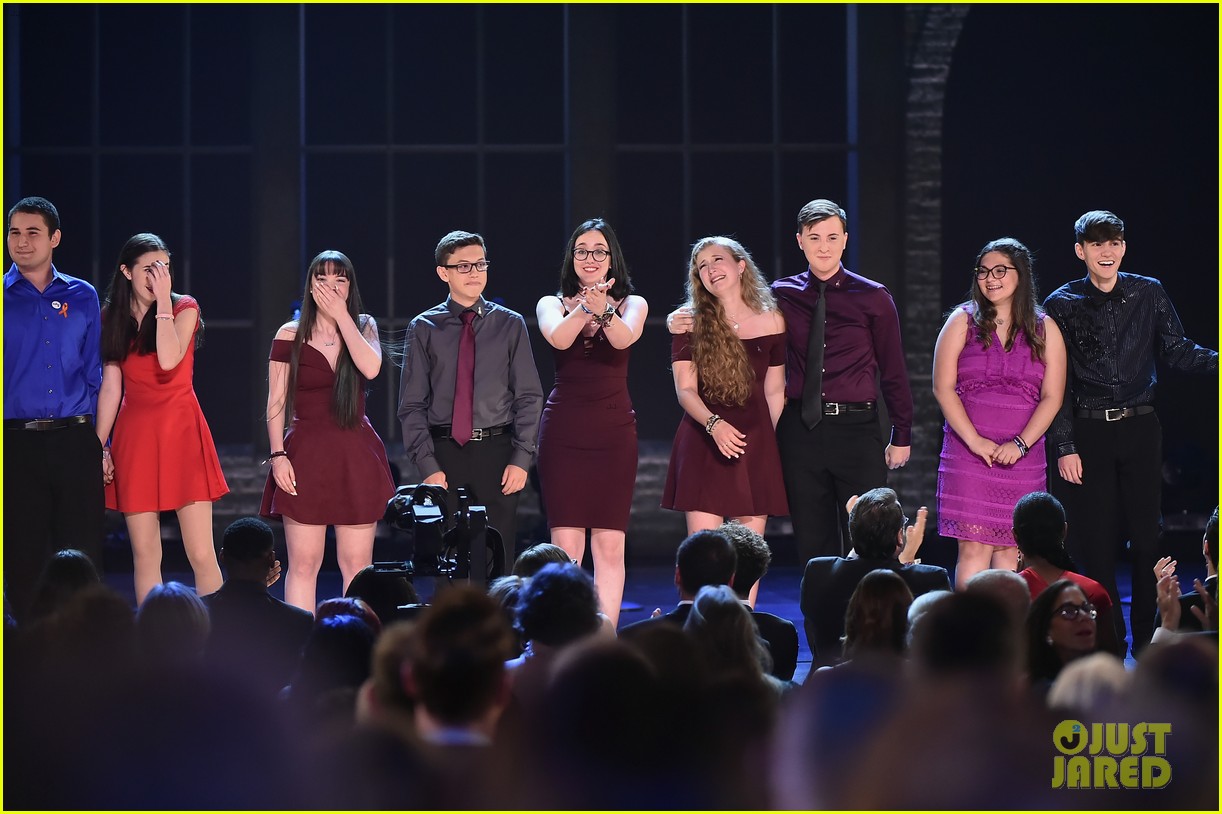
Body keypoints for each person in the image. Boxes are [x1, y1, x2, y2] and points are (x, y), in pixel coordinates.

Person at [667, 199, 914, 562]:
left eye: (832, 237)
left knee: (870, 538)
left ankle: (870, 601)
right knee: (813, 542)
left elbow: (893, 369)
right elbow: (732, 310)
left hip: (857, 429)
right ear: (800, 241)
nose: (823, 246)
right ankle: (818, 602)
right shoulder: (781, 296)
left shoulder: (874, 297)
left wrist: (902, 433)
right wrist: (678, 318)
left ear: (845, 239)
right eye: (814, 238)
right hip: (800, 431)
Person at [1043, 210, 1217, 652]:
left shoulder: (1148, 291)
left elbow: (1177, 349)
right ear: (1080, 250)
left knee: (1146, 538)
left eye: (1115, 242)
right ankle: (1108, 639)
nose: (1107, 251)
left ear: (1124, 247)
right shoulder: (1061, 303)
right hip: (1089, 432)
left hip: (1140, 427)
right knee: (1096, 543)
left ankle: (1146, 638)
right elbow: (1056, 381)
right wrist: (1064, 444)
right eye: (1097, 244)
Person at [398, 230, 544, 570]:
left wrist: (521, 458)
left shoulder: (510, 324)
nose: (474, 272)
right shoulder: (424, 327)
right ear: (443, 273)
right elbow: (412, 405)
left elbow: (529, 396)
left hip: (498, 453)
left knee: (496, 561)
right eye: (463, 266)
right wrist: (428, 466)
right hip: (444, 454)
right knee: (446, 561)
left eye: (480, 264)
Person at [94, 233, 227, 604]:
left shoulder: (184, 307)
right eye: (150, 269)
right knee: (146, 554)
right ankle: (152, 633)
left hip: (181, 428)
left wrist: (164, 300)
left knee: (200, 552)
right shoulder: (111, 317)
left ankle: (216, 630)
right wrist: (99, 446)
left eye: (165, 268)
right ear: (126, 272)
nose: (159, 276)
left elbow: (168, 359)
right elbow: (111, 387)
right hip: (136, 433)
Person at [260, 250, 394, 613]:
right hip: (306, 454)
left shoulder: (363, 325)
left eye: (340, 279)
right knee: (304, 563)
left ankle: (356, 635)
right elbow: (276, 401)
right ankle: (302, 638)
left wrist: (342, 317)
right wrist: (277, 455)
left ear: (350, 286)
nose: (331, 287)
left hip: (356, 453)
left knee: (357, 565)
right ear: (310, 285)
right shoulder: (290, 333)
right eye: (322, 279)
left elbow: (371, 369)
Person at [933, 237, 1066, 589]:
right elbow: (942, 388)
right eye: (983, 271)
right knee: (973, 548)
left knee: (1010, 550)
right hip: (969, 454)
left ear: (1020, 274)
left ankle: (1005, 622)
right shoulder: (961, 321)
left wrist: (1020, 444)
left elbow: (1052, 397)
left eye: (999, 271)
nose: (990, 278)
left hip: (1023, 458)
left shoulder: (1045, 328)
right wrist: (975, 441)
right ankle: (971, 623)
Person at [535, 218, 648, 628]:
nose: (590, 258)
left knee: (610, 544)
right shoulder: (551, 303)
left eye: (599, 251)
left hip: (614, 431)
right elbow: (559, 338)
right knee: (565, 545)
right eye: (581, 250)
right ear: (571, 257)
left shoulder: (633, 303)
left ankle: (604, 635)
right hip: (564, 429)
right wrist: (585, 307)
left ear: (611, 258)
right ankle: (564, 634)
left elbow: (623, 338)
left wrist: (604, 309)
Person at [4, 197, 104, 622]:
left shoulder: (83, 295)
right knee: (21, 557)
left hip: (76, 439)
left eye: (33, 232)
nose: (21, 241)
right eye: (14, 232)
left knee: (83, 555)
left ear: (55, 238)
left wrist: (101, 444)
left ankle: (85, 644)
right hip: (16, 444)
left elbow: (95, 372)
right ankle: (28, 647)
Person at [661, 236, 787, 536]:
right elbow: (685, 390)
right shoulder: (688, 322)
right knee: (705, 552)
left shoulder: (773, 320)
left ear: (741, 266)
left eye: (717, 259)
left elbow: (774, 390)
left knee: (749, 553)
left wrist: (764, 441)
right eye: (702, 266)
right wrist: (714, 425)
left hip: (754, 442)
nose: (710, 269)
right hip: (703, 439)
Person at [800, 487, 950, 667]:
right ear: (899, 537)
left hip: (829, 681)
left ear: (852, 534)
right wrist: (907, 558)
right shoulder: (932, 579)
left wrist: (863, 532)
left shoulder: (818, 571)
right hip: (905, 683)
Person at [202, 517, 314, 698]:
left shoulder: (198, 612)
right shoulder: (298, 620)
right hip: (274, 714)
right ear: (271, 559)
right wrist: (256, 588)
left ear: (222, 556)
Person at [1011, 491, 1121, 656]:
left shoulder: (1007, 593)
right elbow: (1111, 659)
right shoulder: (1093, 591)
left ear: (1015, 536)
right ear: (1064, 531)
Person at [1026, 579, 1101, 697]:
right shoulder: (1040, 694)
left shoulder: (1105, 679)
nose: (1084, 616)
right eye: (1068, 611)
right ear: (1046, 629)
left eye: (1087, 609)